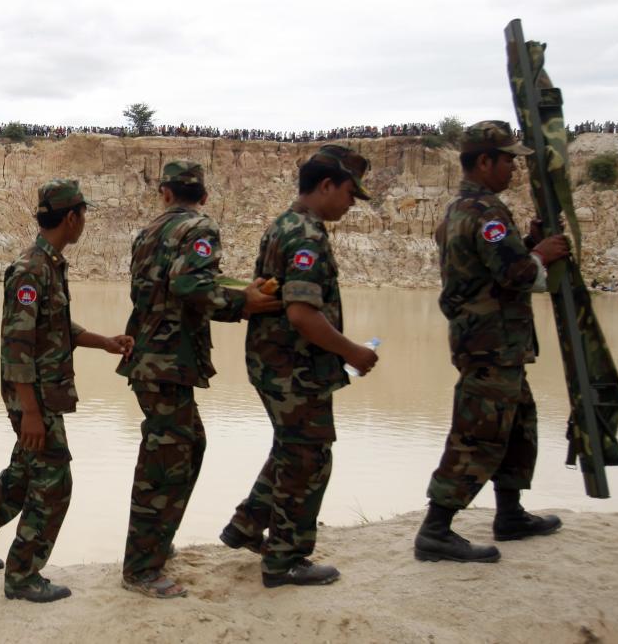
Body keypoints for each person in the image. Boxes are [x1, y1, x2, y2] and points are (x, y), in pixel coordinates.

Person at [0, 179, 134, 602]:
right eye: (83, 215)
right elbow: (18, 345)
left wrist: (103, 341)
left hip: (40, 396)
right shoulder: (31, 269)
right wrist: (30, 410)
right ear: (72, 217)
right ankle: (23, 575)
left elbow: (55, 329)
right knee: (54, 484)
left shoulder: (51, 265)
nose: (84, 222)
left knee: (23, 474)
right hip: (35, 399)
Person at [116, 160, 280, 598]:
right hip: (167, 360)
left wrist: (233, 291)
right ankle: (140, 568)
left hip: (153, 357)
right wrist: (241, 304)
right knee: (166, 461)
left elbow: (166, 286)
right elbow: (190, 284)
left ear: (165, 193)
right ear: (203, 196)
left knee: (186, 447)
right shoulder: (199, 228)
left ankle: (156, 543)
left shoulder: (149, 232)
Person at [220, 145, 379, 588]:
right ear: (326, 185)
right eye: (349, 192)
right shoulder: (306, 235)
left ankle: (249, 525)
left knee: (293, 448)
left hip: (276, 362)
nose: (351, 202)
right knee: (309, 459)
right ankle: (284, 560)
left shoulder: (283, 225)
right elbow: (302, 315)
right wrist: (353, 352)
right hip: (294, 367)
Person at [414, 121, 570, 563]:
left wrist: (530, 245)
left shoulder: (463, 209)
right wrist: (540, 255)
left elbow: (488, 268)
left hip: (493, 341)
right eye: (508, 160)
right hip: (490, 342)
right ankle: (436, 530)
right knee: (477, 433)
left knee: (518, 423)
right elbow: (514, 275)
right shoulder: (486, 211)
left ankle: (511, 514)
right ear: (484, 161)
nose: (514, 169)